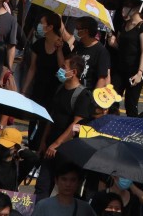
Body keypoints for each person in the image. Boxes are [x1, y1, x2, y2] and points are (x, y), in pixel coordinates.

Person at [36, 55, 94, 200]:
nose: (60, 70)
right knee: (42, 187)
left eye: (64, 67)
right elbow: (51, 117)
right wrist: (44, 142)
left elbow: (75, 124)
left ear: (73, 72)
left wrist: (56, 144)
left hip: (67, 151)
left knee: (66, 191)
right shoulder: (60, 89)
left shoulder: (83, 95)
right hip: (50, 148)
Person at [108, 0, 143, 117]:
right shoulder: (124, 24)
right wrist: (113, 43)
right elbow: (122, 47)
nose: (124, 9)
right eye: (124, 6)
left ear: (137, 9)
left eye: (128, 6)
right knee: (112, 100)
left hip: (134, 71)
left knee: (130, 104)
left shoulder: (142, 26)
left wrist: (139, 73)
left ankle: (132, 127)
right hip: (120, 68)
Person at [70, 15, 111, 90]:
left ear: (86, 31)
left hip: (86, 92)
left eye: (78, 28)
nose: (75, 31)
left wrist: (93, 96)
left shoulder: (101, 52)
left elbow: (102, 79)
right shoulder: (79, 46)